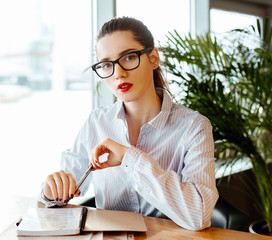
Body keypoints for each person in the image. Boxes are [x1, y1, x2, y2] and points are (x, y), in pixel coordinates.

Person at [39, 16, 218, 231]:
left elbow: (198, 215)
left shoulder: (195, 127)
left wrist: (128, 157)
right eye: (107, 64)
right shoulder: (96, 123)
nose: (119, 73)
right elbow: (64, 191)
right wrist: (52, 191)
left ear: (153, 58)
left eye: (129, 57)